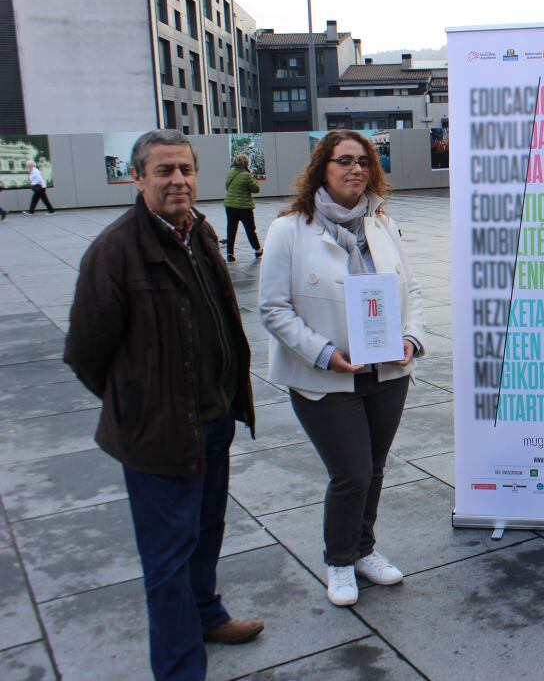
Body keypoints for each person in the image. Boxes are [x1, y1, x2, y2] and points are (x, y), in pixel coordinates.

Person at [64, 129, 263, 680]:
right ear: (138, 178)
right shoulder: (115, 251)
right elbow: (85, 353)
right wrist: (141, 407)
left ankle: (206, 614)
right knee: (167, 560)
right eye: (164, 171)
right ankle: (179, 669)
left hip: (214, 420)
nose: (178, 180)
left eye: (185, 170)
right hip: (159, 435)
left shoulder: (196, 232)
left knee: (206, 531)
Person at [259, 129, 426, 606]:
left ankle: (363, 550)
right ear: (322, 168)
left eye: (363, 162)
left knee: (373, 468)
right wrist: (323, 353)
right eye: (343, 161)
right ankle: (338, 560)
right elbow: (274, 309)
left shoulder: (382, 224)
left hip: (387, 374)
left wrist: (412, 339)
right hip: (325, 376)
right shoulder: (290, 229)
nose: (355, 170)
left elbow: (411, 291)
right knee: (350, 472)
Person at [223, 153, 262, 262]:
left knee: (231, 230)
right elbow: (256, 189)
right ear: (246, 164)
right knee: (250, 230)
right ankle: (258, 250)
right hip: (244, 207)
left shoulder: (231, 172)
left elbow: (227, 187)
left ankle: (230, 254)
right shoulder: (246, 175)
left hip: (230, 206)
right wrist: (252, 176)